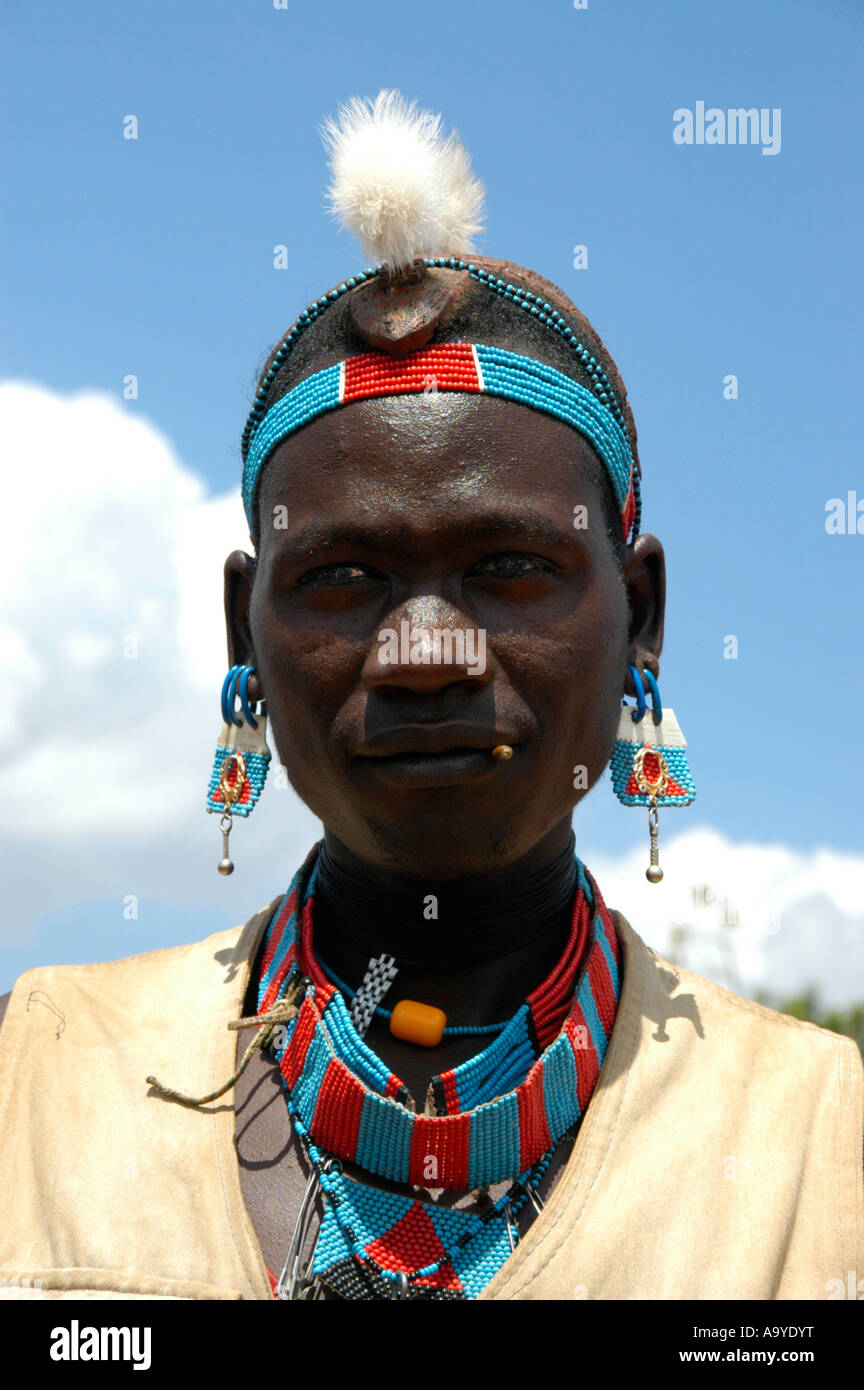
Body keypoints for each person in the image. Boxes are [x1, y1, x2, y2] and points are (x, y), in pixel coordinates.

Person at [0, 90, 860, 1303]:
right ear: (241, 628)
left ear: (643, 618)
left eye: (510, 568)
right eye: (345, 578)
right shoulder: (35, 1082)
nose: (425, 652)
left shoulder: (823, 1150)